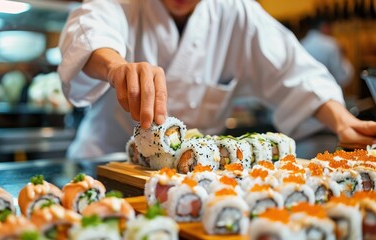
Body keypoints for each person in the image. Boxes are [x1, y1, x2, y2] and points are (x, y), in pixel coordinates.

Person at [58, 0, 376, 159]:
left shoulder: (236, 11)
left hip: (198, 172)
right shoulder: (124, 5)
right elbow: (87, 31)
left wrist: (341, 122)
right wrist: (115, 67)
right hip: (107, 162)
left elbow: (295, 72)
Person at [301, 17, 353, 88]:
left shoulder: (302, 44)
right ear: (324, 26)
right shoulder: (331, 44)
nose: (331, 31)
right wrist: (344, 56)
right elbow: (341, 77)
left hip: (309, 91)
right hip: (329, 90)